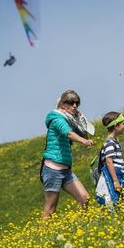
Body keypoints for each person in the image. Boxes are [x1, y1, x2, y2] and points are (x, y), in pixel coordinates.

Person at [41, 90, 94, 218]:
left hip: (65, 170)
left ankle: (80, 228)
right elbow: (69, 133)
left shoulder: (70, 119)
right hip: (52, 169)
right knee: (50, 209)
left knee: (85, 198)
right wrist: (84, 142)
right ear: (62, 104)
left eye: (77, 103)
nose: (74, 106)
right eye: (71, 102)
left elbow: (83, 133)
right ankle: (43, 235)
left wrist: (81, 124)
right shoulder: (57, 119)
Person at [95, 112, 124, 206]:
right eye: (123, 123)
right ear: (116, 126)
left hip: (117, 172)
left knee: (120, 201)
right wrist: (115, 181)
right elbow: (108, 161)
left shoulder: (114, 142)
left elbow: (112, 161)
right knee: (114, 199)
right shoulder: (110, 142)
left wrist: (123, 163)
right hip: (114, 174)